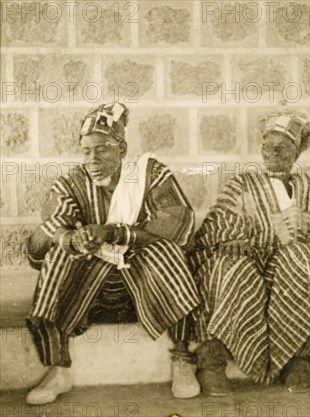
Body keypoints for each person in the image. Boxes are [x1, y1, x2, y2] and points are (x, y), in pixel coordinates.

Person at [25, 102, 201, 404]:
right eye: (87, 151)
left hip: (146, 291)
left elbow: (177, 225)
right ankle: (59, 368)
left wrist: (115, 233)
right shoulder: (73, 182)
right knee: (58, 256)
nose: (93, 159)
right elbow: (45, 233)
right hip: (92, 294)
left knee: (167, 252)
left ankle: (183, 358)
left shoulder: (149, 174)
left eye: (103, 149)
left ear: (122, 148)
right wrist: (71, 239)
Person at [191, 110, 310, 395]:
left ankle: (297, 362)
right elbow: (220, 222)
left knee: (301, 259)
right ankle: (212, 362)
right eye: (267, 147)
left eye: (282, 147)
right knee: (230, 266)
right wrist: (232, 240)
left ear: (297, 150)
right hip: (250, 261)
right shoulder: (243, 182)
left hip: (291, 267)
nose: (273, 153)